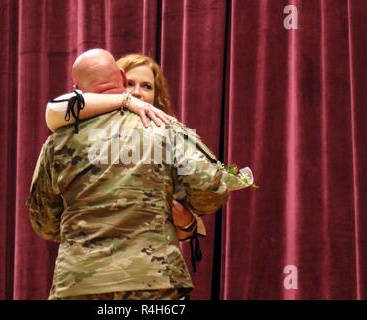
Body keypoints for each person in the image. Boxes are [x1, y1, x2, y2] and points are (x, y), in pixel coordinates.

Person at [27, 48, 229, 300]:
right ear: (122, 76)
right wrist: (176, 214)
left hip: (79, 284)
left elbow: (43, 221)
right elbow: (211, 189)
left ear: (76, 90)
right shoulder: (166, 130)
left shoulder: (57, 142)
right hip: (154, 284)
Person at [45, 53, 204, 242]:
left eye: (147, 86)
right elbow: (54, 110)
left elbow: (187, 224)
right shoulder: (74, 133)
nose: (137, 92)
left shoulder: (170, 139)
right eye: (129, 83)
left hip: (149, 259)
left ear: (156, 95)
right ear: (117, 80)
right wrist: (125, 101)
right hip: (92, 257)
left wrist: (186, 221)